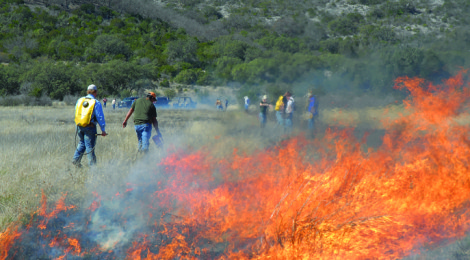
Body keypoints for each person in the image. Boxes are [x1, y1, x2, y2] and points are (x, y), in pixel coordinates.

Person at [72, 84, 107, 167]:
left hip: (79, 125)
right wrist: (103, 130)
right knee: (90, 146)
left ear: (88, 91)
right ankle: (93, 168)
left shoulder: (80, 100)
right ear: (95, 92)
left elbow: (76, 112)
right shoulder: (95, 102)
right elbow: (100, 117)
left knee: (82, 142)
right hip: (90, 127)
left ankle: (75, 160)